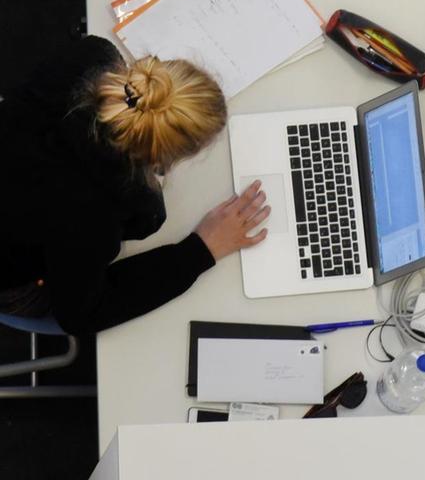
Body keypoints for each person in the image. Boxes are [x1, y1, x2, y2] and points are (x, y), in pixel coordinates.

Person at [0, 36, 271, 335]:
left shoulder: (88, 57)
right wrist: (199, 251)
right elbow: (81, 314)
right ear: (163, 158)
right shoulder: (93, 213)